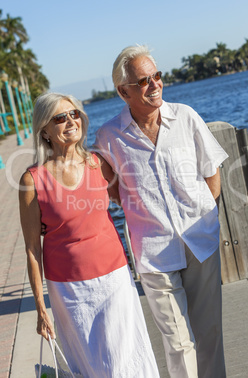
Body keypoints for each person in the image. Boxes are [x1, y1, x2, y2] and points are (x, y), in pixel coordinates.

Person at [94, 45, 229, 378]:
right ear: (123, 91)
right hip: (153, 253)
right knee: (179, 343)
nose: (154, 84)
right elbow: (109, 192)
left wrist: (204, 216)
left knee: (209, 333)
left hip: (201, 242)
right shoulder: (109, 136)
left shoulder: (186, 116)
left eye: (157, 76)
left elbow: (212, 172)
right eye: (143, 80)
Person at [19, 92, 160, 378]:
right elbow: (32, 248)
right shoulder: (32, 180)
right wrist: (39, 306)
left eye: (74, 114)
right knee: (92, 364)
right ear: (44, 129)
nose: (71, 121)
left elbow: (133, 201)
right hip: (68, 290)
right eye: (60, 117)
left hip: (115, 277)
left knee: (124, 360)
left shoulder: (98, 164)